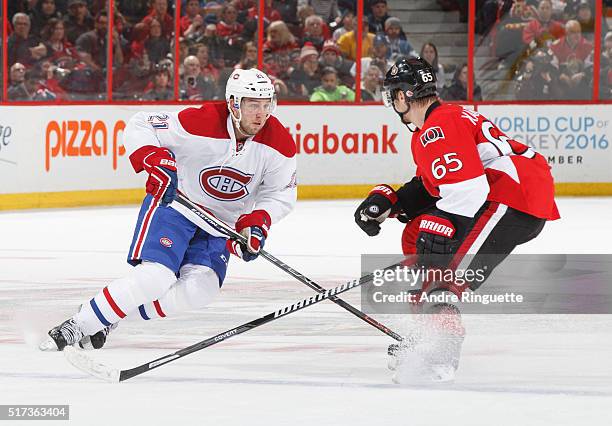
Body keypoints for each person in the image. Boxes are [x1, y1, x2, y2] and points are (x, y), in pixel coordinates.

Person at [40, 68, 298, 352]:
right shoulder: (200, 121)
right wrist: (154, 159)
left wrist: (257, 224)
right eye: (253, 105)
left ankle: (110, 315)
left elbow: (280, 193)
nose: (261, 114)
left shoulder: (280, 143)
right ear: (234, 103)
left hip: (221, 224)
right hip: (176, 205)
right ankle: (77, 325)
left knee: (201, 290)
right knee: (156, 277)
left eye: (266, 105)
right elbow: (141, 124)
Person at [354, 57, 559, 382]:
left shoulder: (437, 127)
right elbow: (433, 186)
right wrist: (390, 201)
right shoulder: (440, 121)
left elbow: (467, 189)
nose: (392, 102)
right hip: (512, 198)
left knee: (441, 275)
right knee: (422, 250)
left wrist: (443, 226)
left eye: (393, 95)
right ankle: (427, 338)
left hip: (509, 197)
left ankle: (441, 351)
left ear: (404, 96)